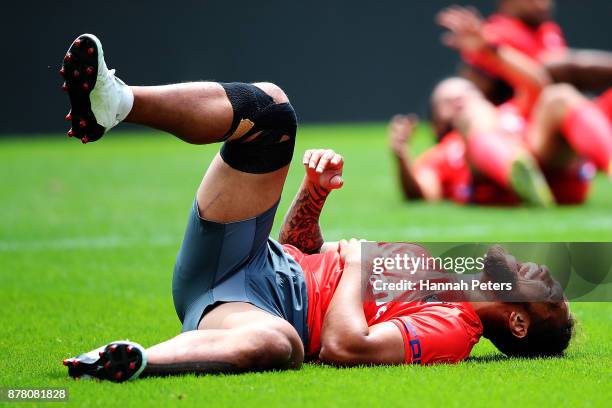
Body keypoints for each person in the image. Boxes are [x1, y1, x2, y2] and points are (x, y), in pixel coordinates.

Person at [60, 34, 572, 382]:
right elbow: (299, 248)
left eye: (547, 291)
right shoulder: (437, 273)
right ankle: (119, 102)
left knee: (282, 345)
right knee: (272, 111)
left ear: (520, 324)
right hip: (251, 257)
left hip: (241, 312)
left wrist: (355, 265)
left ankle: (138, 360)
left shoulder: (456, 330)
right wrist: (315, 192)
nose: (544, 271)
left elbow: (346, 346)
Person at [390, 7, 612, 206]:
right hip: (492, 183)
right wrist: (402, 157)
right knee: (474, 114)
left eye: (468, 92)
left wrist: (490, 50)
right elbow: (422, 192)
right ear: (437, 124)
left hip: (548, 165)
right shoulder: (441, 155)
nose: (461, 99)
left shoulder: (506, 111)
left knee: (559, 96)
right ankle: (516, 171)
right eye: (448, 100)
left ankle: (606, 162)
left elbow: (539, 85)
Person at [459, 0, 612, 104]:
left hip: (565, 114)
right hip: (518, 126)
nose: (542, 3)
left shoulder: (549, 31)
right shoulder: (488, 36)